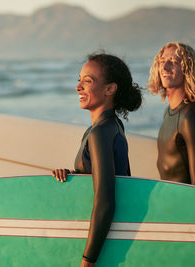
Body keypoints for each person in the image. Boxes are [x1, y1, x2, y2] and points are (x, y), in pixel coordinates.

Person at [52, 53, 142, 266]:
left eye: (88, 81)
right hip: (113, 235)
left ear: (110, 89)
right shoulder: (112, 126)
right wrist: (75, 177)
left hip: (103, 243)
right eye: (79, 80)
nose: (78, 87)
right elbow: (110, 177)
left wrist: (87, 260)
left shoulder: (100, 133)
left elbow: (105, 202)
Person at [148, 42, 195, 187]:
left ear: (188, 70)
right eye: (162, 61)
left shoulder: (191, 115)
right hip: (168, 198)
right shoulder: (169, 112)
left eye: (173, 61)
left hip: (183, 203)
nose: (165, 67)